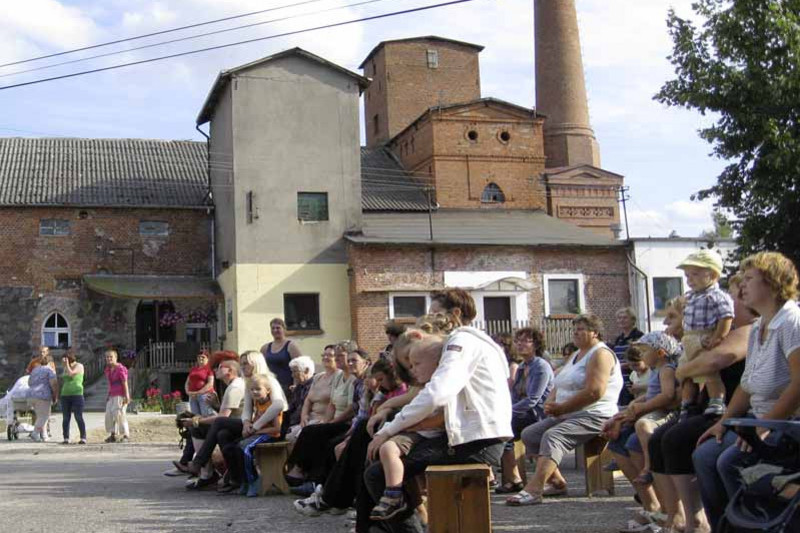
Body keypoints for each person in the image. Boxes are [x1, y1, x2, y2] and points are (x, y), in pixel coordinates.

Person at [362, 288, 512, 532]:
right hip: (478, 439)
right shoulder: (479, 341)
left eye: (435, 315)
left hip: (477, 444)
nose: (429, 322)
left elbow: (437, 393)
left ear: (453, 314)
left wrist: (387, 431)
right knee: (385, 460)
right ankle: (377, 515)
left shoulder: (460, 341)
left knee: (376, 473)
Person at [693, 252, 800, 531]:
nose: (742, 287)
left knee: (730, 462)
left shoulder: (792, 322)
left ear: (773, 283)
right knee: (703, 456)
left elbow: (799, 384)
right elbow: (747, 383)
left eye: (750, 279)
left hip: (786, 425)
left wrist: (765, 427)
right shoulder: (758, 327)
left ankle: (758, 525)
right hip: (759, 419)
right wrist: (723, 421)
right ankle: (724, 527)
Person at [507, 313, 623, 506]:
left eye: (581, 329)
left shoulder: (600, 354)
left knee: (553, 436)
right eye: (574, 329)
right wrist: (552, 403)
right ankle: (556, 481)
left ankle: (534, 489)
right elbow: (558, 382)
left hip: (595, 414)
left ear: (595, 332)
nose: (576, 333)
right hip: (568, 413)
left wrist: (563, 408)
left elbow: (595, 391)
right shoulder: (577, 355)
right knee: (530, 434)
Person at [371, 335, 445, 520]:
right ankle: (393, 494)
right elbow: (408, 404)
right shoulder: (421, 385)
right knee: (385, 449)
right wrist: (383, 410)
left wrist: (398, 426)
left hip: (437, 438)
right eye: (409, 365)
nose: (411, 371)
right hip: (415, 433)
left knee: (379, 464)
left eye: (416, 365)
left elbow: (441, 418)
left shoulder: (443, 386)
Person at [286, 347, 370, 493]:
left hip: (347, 422)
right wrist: (326, 421)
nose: (348, 362)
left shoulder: (356, 380)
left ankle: (311, 479)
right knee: (311, 431)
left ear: (366, 363)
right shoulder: (341, 377)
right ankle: (301, 472)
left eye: (351, 359)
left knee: (324, 439)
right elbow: (331, 403)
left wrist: (332, 422)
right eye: (347, 359)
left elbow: (353, 410)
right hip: (337, 420)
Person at [496, 327, 554, 494]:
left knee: (503, 428)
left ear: (535, 344)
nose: (520, 344)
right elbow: (515, 397)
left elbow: (533, 400)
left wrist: (507, 411)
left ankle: (513, 478)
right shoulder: (522, 366)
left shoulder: (541, 366)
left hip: (539, 414)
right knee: (499, 428)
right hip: (523, 413)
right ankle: (512, 477)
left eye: (525, 341)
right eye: (518, 341)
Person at [677, 249, 734, 418]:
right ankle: (687, 402)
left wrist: (718, 336)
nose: (690, 280)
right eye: (687, 276)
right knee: (685, 371)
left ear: (713, 274)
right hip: (689, 337)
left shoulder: (717, 296)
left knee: (707, 372)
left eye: (694, 274)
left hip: (704, 336)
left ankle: (717, 400)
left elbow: (726, 316)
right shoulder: (691, 296)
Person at [182, 359, 247, 488]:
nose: (216, 370)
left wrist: (196, 421)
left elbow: (222, 418)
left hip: (242, 424)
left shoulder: (235, 387)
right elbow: (227, 414)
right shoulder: (232, 385)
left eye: (220, 367)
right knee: (220, 433)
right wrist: (215, 405)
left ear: (230, 371)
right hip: (233, 423)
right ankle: (210, 474)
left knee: (200, 427)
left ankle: (199, 465)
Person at [227, 374, 284, 497]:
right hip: (256, 433)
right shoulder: (257, 403)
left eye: (258, 389)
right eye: (252, 390)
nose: (254, 392)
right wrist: (247, 427)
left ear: (267, 390)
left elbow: (277, 428)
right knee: (234, 447)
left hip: (270, 435)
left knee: (245, 448)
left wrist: (255, 431)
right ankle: (244, 480)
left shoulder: (271, 406)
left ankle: (254, 480)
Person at [288, 346, 340, 444]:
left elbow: (333, 402)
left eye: (329, 355)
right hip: (310, 418)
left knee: (298, 438)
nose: (325, 357)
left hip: (323, 419)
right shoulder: (318, 377)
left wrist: (324, 421)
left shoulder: (339, 376)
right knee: (289, 437)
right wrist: (304, 416)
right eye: (324, 355)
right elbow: (308, 400)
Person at [260, 318, 302, 396]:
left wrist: (296, 384)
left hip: (288, 387)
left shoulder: (291, 346)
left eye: (278, 328)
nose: (275, 330)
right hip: (271, 387)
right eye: (273, 328)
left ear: (284, 329)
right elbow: (261, 368)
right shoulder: (265, 348)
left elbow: (299, 366)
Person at [28, 353, 59, 442]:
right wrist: (55, 395)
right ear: (50, 362)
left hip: (31, 395)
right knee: (44, 417)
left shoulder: (35, 370)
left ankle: (42, 435)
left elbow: (29, 382)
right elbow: (54, 384)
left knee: (40, 416)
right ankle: (35, 433)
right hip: (43, 396)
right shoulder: (49, 370)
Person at [60, 349, 86, 445]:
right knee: (66, 417)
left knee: (78, 416)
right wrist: (66, 366)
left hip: (77, 394)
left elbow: (71, 374)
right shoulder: (66, 367)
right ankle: (66, 437)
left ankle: (83, 437)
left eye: (64, 359)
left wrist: (66, 365)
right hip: (65, 395)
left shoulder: (79, 366)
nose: (62, 361)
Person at [285, 355, 315, 438]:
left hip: (306, 421)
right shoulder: (299, 387)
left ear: (306, 370)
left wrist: (288, 424)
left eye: (295, 371)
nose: (292, 375)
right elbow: (291, 407)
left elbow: (302, 409)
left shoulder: (314, 385)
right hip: (295, 422)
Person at [104, 349, 130, 443]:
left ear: (116, 358)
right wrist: (108, 394)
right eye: (107, 357)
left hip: (120, 394)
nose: (109, 359)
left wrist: (127, 395)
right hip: (112, 395)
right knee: (109, 414)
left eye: (111, 357)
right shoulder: (108, 369)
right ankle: (112, 434)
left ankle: (125, 435)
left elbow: (124, 382)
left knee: (119, 414)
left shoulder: (120, 369)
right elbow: (110, 384)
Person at [185, 350, 215, 416]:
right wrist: (187, 391)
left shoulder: (209, 369)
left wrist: (198, 392)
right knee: (195, 416)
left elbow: (210, 384)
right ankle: (198, 427)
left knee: (205, 415)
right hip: (192, 396)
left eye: (203, 357)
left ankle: (206, 426)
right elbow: (187, 382)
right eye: (199, 357)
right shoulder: (193, 369)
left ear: (207, 359)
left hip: (204, 395)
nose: (200, 358)